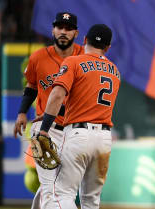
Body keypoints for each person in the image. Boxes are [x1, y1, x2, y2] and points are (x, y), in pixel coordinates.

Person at [37, 23, 120, 209]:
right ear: (107, 47)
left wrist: (44, 128)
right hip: (104, 139)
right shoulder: (115, 71)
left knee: (61, 195)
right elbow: (86, 104)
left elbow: (58, 95)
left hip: (78, 136)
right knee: (91, 201)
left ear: (84, 40)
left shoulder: (73, 61)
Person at [13, 12, 83, 209]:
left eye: (68, 29)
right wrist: (21, 113)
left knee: (62, 187)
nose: (63, 32)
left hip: (74, 129)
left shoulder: (84, 57)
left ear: (76, 33)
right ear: (53, 30)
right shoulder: (38, 57)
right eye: (60, 27)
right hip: (45, 130)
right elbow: (31, 86)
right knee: (49, 186)